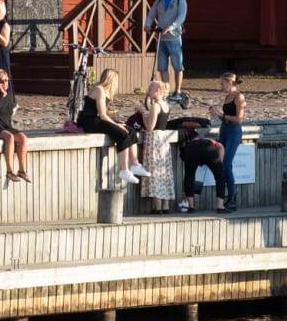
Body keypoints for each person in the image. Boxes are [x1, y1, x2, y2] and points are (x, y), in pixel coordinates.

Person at [77, 68, 145, 186]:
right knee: (122, 133)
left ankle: (135, 164)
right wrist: (116, 124)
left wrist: (116, 121)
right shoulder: (99, 90)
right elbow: (102, 115)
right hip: (90, 122)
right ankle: (124, 170)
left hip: (97, 119)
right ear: (111, 79)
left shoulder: (103, 90)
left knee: (130, 130)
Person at [146, 0, 188, 101]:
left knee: (177, 65)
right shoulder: (159, 1)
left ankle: (178, 91)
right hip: (161, 39)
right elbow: (151, 14)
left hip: (174, 38)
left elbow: (181, 16)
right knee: (162, 67)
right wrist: (147, 25)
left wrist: (171, 27)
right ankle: (166, 91)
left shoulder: (180, 0)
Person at [208, 72, 246, 213]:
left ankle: (232, 197)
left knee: (227, 163)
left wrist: (223, 115)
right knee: (221, 164)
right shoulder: (227, 97)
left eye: (222, 83)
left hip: (234, 131)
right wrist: (216, 113)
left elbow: (239, 119)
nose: (221, 86)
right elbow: (225, 119)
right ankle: (224, 197)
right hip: (224, 129)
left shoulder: (239, 97)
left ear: (230, 83)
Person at [138, 79, 177, 213]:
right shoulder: (166, 105)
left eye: (150, 89)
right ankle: (165, 205)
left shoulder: (155, 106)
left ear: (158, 91)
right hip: (163, 139)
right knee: (164, 171)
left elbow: (150, 127)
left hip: (154, 138)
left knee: (154, 170)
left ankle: (158, 206)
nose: (148, 91)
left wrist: (143, 112)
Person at [176, 120, 225, 214]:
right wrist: (220, 164)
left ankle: (191, 206)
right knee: (220, 176)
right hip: (208, 149)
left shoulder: (191, 142)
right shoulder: (213, 141)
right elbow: (220, 147)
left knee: (189, 177)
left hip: (191, 149)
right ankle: (220, 206)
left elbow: (184, 156)